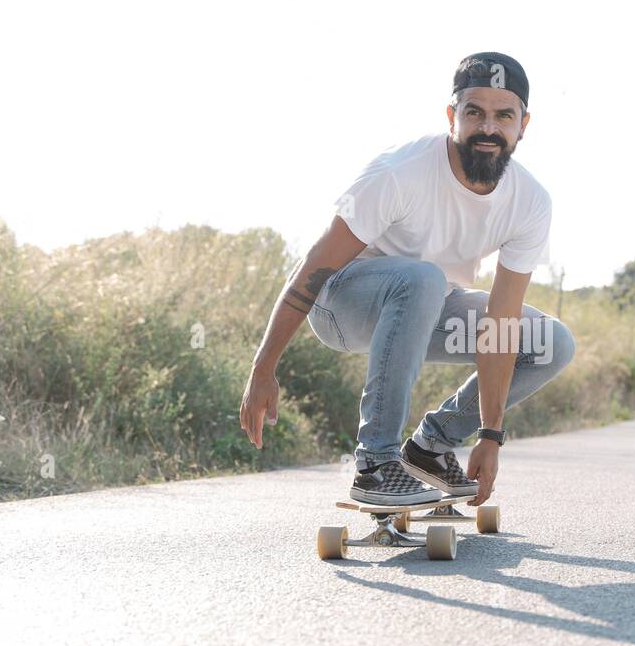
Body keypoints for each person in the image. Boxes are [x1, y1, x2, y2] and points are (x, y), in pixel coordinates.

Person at [239, 52, 575, 507]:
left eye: (504, 115)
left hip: (426, 308)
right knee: (423, 279)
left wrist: (490, 435)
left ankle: (431, 445)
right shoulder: (401, 172)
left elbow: (500, 324)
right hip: (342, 305)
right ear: (452, 116)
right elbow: (315, 268)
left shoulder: (530, 201)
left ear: (524, 123)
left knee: (549, 341)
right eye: (474, 112)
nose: (488, 128)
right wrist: (264, 367)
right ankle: (376, 463)